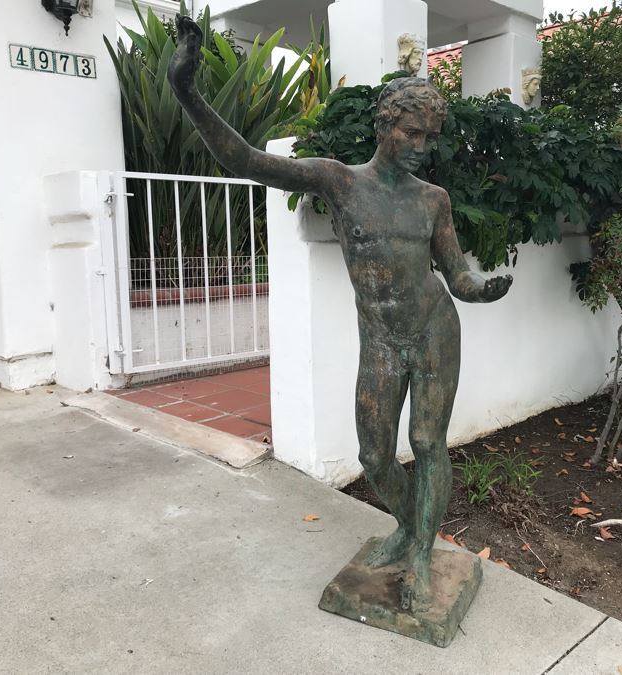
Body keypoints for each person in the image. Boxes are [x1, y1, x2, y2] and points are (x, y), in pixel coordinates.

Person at [167, 16, 512, 612]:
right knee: (374, 455)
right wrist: (187, 92)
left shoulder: (435, 200)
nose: (423, 148)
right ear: (385, 126)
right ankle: (408, 527)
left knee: (428, 442)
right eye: (412, 134)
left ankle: (422, 554)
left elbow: (455, 273)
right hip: (380, 339)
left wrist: (479, 290)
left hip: (433, 330)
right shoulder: (340, 181)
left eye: (431, 138)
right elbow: (246, 159)